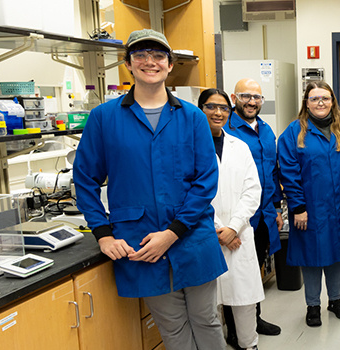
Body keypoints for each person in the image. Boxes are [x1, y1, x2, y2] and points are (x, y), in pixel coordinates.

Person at [73, 29, 226, 350]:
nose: (149, 62)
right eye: (140, 55)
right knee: (171, 327)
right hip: (138, 240)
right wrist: (102, 233)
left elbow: (206, 180)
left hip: (191, 235)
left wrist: (172, 233)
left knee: (207, 319)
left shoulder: (192, 117)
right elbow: (85, 178)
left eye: (158, 56)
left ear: (170, 65)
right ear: (128, 64)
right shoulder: (104, 118)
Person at [278, 81, 340, 327]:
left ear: (333, 101)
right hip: (309, 209)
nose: (320, 103)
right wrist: (298, 208)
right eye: (314, 99)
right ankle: (313, 305)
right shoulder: (294, 132)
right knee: (311, 257)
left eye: (325, 98)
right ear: (306, 103)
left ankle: (336, 299)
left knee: (336, 254)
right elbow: (288, 172)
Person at [199, 88, 264, 350]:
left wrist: (233, 227)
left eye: (224, 108)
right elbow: (192, 194)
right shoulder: (191, 146)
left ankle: (250, 344)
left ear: (230, 111)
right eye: (211, 107)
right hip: (207, 233)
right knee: (210, 301)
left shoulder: (241, 147)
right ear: (200, 109)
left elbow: (253, 190)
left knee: (244, 297)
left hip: (239, 233)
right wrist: (218, 229)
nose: (218, 113)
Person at [221, 78, 283, 342]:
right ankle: (235, 331)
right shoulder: (225, 130)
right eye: (246, 96)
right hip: (234, 218)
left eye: (257, 97)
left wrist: (277, 207)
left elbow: (273, 172)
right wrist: (232, 225)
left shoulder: (266, 130)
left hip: (263, 215)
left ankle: (253, 320)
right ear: (235, 98)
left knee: (254, 271)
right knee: (232, 276)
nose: (252, 102)